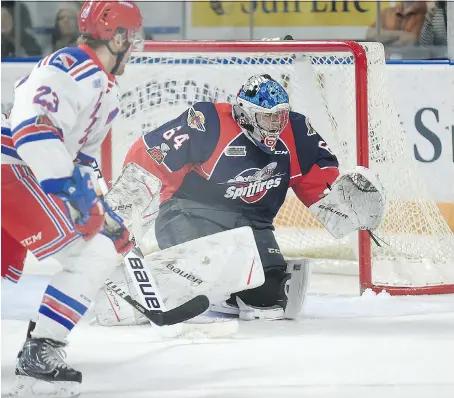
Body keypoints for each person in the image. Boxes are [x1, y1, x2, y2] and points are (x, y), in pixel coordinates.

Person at [94, 74, 386, 324]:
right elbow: (150, 156)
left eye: (279, 116)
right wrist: (125, 213)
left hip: (251, 225)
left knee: (270, 297)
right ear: (245, 113)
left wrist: (344, 204)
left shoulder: (295, 132)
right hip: (190, 214)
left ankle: (220, 291)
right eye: (266, 117)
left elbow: (319, 184)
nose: (274, 126)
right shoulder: (209, 122)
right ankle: (141, 290)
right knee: (206, 265)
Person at [1, 1, 143, 396]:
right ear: (115, 38)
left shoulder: (103, 91)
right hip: (12, 166)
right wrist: (77, 197)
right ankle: (41, 351)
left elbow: (82, 161)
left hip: (19, 169)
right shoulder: (69, 69)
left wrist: (103, 208)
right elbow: (33, 132)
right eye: (131, 39)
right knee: (92, 253)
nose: (135, 48)